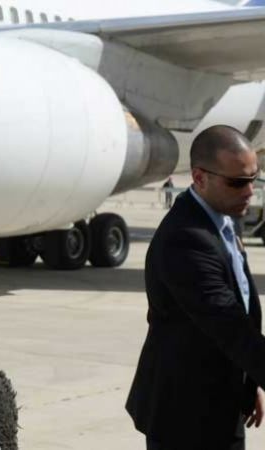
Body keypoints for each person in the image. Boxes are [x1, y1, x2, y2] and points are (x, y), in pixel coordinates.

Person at [126, 125, 265, 450]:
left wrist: (250, 382)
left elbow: (243, 303)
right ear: (200, 178)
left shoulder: (225, 216)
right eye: (237, 182)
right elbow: (229, 325)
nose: (249, 191)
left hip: (224, 400)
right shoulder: (185, 238)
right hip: (185, 415)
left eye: (254, 179)